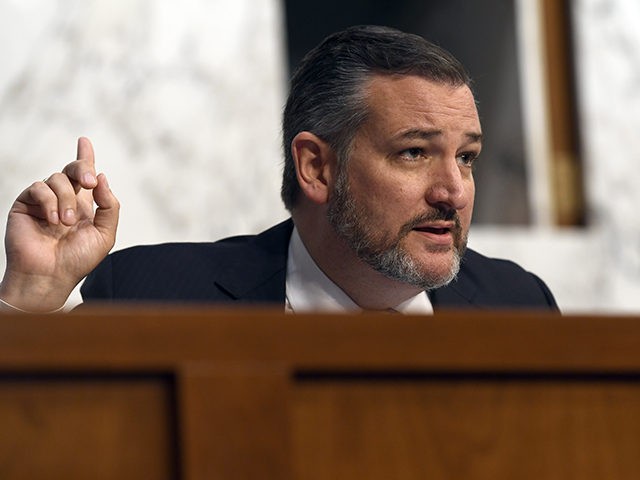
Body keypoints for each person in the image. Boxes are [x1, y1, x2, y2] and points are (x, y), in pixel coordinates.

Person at [0, 25, 558, 314]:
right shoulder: (153, 294)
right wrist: (32, 293)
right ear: (316, 166)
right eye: (414, 152)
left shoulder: (519, 303)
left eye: (467, 157)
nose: (454, 192)